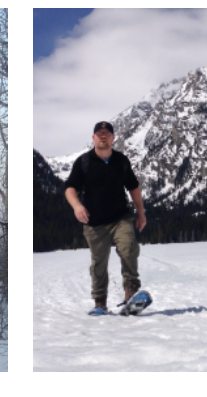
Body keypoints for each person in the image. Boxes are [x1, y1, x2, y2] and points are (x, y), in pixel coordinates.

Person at [64, 121, 147, 315]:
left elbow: (133, 187)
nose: (103, 136)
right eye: (99, 133)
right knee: (99, 263)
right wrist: (77, 206)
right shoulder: (83, 162)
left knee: (128, 249)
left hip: (121, 217)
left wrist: (141, 213)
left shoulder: (121, 161)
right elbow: (70, 188)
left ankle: (131, 294)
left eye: (107, 133)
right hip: (94, 223)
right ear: (93, 138)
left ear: (113, 138)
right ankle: (100, 303)